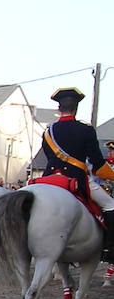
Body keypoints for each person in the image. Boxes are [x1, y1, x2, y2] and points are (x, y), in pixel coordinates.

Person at [41, 87, 114, 261]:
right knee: (111, 205)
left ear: (59, 108)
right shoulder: (86, 130)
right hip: (76, 178)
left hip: (49, 178)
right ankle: (108, 250)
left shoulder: (48, 132)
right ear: (76, 108)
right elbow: (98, 164)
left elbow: (48, 156)